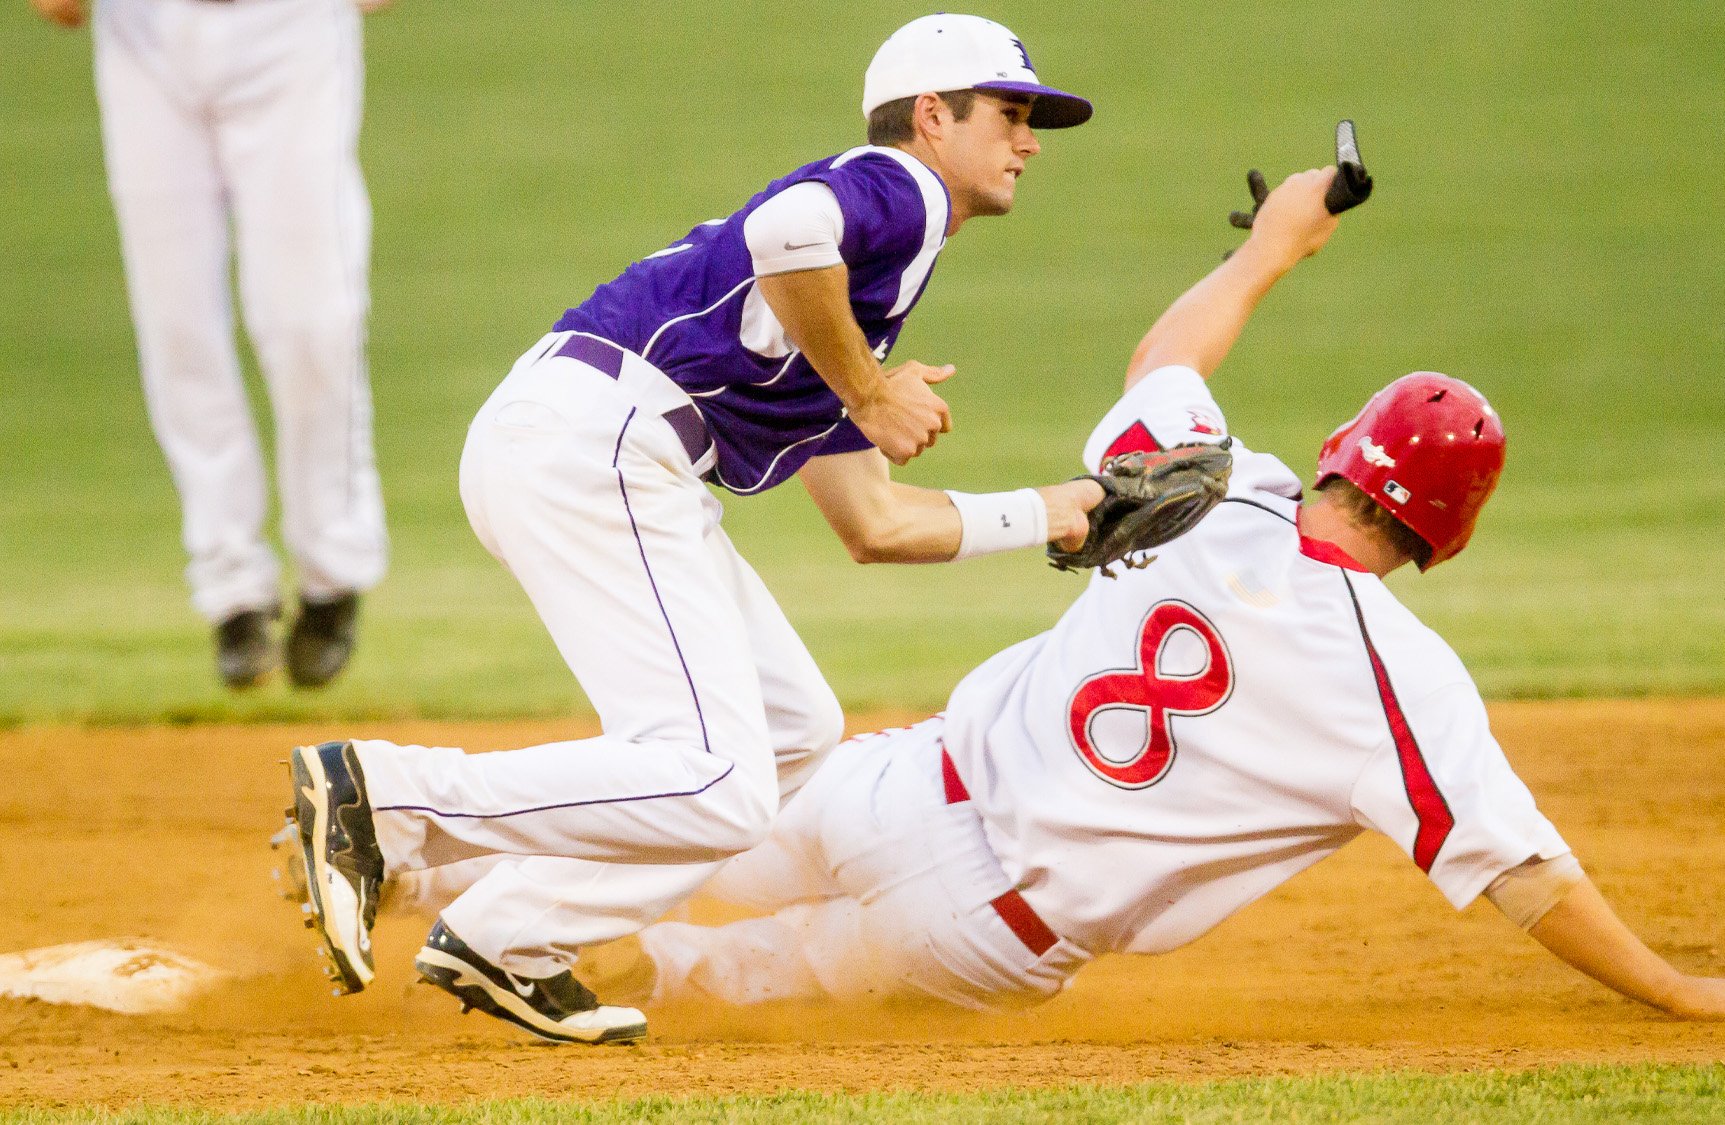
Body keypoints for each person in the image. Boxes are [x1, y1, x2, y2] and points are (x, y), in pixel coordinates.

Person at [563, 167, 1725, 1020]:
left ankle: (427, 879)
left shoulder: (1221, 487)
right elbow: (1525, 875)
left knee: (646, 846)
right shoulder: (1401, 680)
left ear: (1339, 449)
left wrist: (1273, 246)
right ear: (1448, 537)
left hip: (897, 785)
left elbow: (1162, 365)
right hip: (983, 932)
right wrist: (1673, 989)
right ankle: (652, 970)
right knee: (713, 989)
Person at [286, 14, 1106, 1043]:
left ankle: (508, 935)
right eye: (1011, 113)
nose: (1029, 140)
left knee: (791, 733)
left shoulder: (856, 297)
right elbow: (787, 230)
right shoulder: (901, 188)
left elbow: (875, 522)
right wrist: (867, 394)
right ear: (933, 116)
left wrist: (1052, 512)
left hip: (590, 445)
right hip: (599, 441)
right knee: (715, 777)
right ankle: (386, 799)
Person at [29, 0, 391, 689]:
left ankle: (333, 571)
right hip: (143, 33)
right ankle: (231, 589)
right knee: (175, 322)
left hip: (287, 27)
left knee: (310, 321)